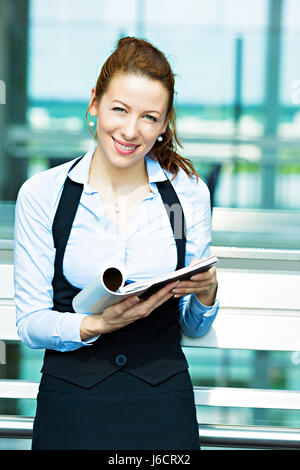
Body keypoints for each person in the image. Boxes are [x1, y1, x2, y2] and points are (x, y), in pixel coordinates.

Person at [14, 36, 219, 450]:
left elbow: (194, 326)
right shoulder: (44, 195)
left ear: (163, 124)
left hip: (163, 405)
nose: (130, 130)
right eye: (119, 110)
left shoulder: (186, 197)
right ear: (95, 103)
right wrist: (95, 325)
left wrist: (208, 295)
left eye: (149, 117)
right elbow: (30, 322)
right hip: (71, 407)